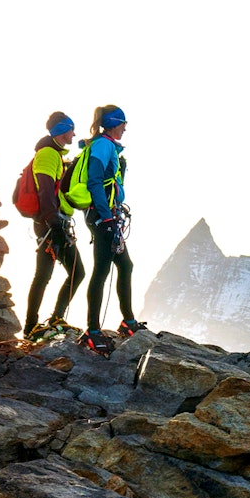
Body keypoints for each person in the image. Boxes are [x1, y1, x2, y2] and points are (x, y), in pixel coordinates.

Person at [81, 105, 144, 340]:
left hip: (106, 216)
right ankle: (93, 330)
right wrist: (107, 216)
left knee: (125, 266)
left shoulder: (105, 145)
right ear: (116, 123)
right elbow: (94, 182)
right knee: (101, 271)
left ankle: (128, 321)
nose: (126, 128)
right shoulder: (103, 145)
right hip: (102, 217)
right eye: (124, 123)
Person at [23, 111, 85, 337]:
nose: (74, 133)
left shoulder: (53, 154)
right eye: (71, 129)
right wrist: (54, 222)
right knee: (48, 274)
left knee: (67, 273)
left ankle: (50, 320)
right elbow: (45, 188)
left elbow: (54, 187)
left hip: (54, 222)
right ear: (62, 130)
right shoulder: (48, 154)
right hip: (51, 224)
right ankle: (32, 326)